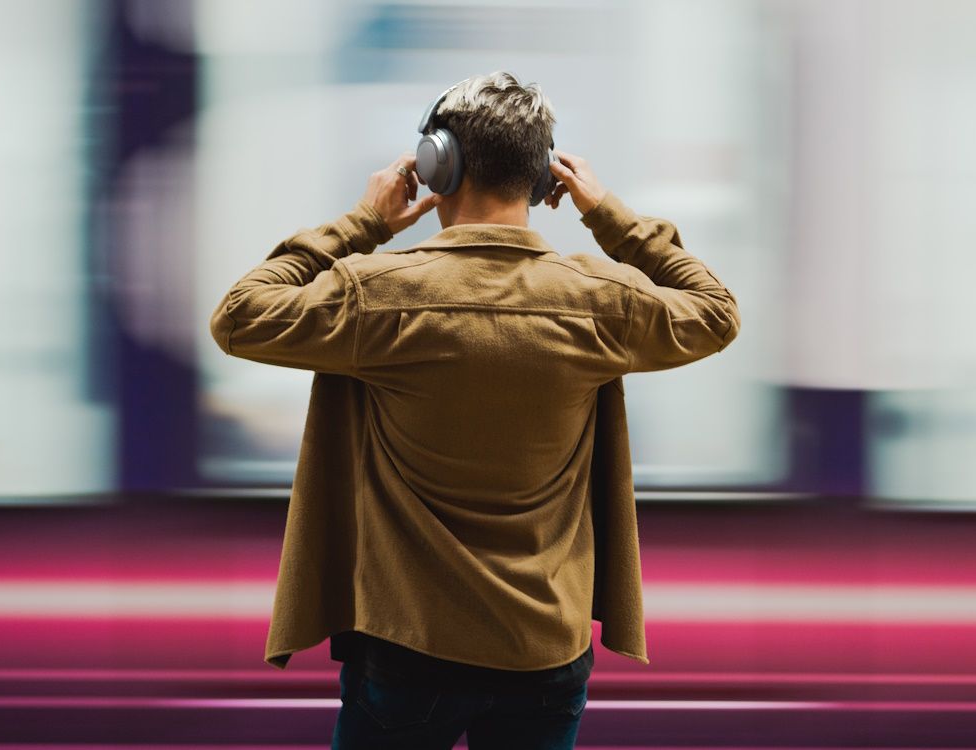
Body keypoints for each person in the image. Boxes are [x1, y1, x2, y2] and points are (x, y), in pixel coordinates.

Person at [209, 71, 740, 750]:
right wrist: (610, 215)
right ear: (548, 177)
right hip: (544, 652)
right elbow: (717, 312)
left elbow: (238, 316)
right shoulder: (600, 302)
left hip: (409, 648)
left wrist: (362, 225)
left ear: (438, 164)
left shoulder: (378, 296)